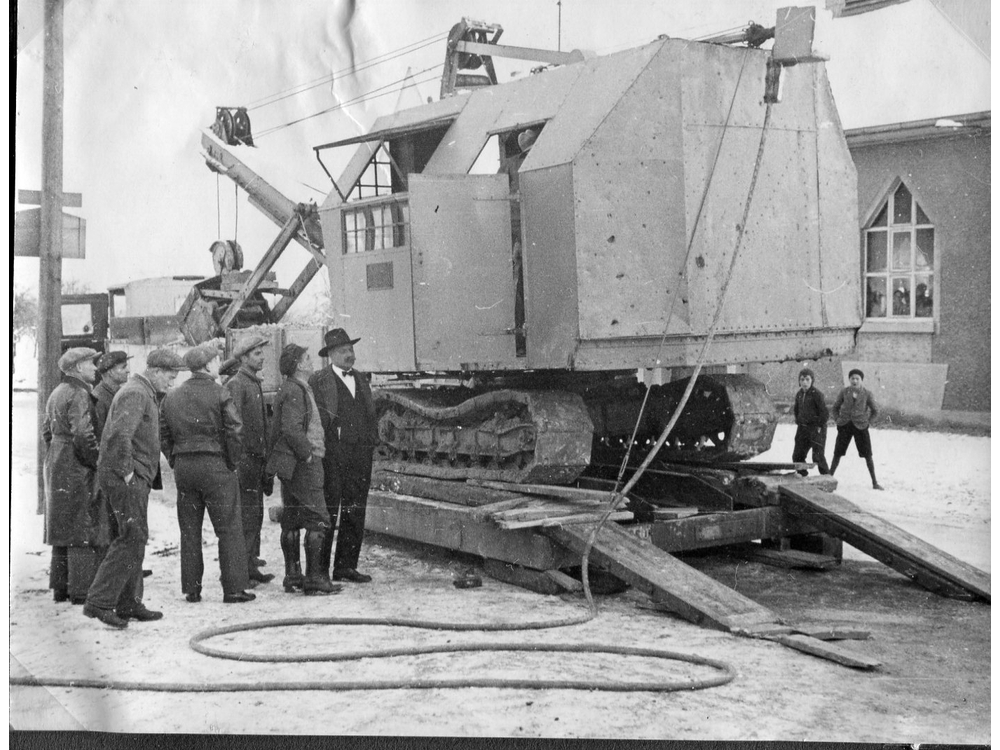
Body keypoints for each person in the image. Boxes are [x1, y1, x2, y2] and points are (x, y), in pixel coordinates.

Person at [84, 348, 184, 629]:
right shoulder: (136, 393)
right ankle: (99, 602)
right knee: (131, 536)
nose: (171, 383)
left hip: (133, 477)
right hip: (127, 478)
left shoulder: (142, 391)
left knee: (135, 536)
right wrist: (128, 474)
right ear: (155, 371)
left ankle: (128, 603)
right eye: (169, 377)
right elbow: (118, 436)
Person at [161, 343, 255, 604]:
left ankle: (192, 589)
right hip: (215, 466)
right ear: (207, 366)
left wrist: (174, 458)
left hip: (184, 468)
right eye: (215, 361)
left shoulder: (172, 396)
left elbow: (163, 433)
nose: (218, 364)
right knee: (228, 528)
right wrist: (231, 462)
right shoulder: (220, 392)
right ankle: (233, 589)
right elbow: (235, 430)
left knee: (189, 530)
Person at [266, 344, 340, 595]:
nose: (311, 361)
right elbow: (291, 428)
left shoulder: (292, 388)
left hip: (291, 464)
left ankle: (294, 576)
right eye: (307, 358)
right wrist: (308, 454)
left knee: (293, 517)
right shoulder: (296, 391)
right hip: (304, 464)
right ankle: (316, 579)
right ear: (298, 365)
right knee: (319, 518)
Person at [308, 329, 379, 584]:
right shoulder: (319, 380)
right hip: (334, 454)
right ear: (330, 356)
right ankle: (321, 570)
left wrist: (372, 442)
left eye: (351, 350)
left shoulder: (360, 378)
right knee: (329, 510)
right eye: (343, 351)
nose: (349, 355)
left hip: (360, 454)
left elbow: (369, 412)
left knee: (355, 509)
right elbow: (315, 418)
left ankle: (346, 567)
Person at [43, 347, 108, 605]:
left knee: (61, 525)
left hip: (57, 460)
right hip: (76, 463)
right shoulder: (80, 393)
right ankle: (81, 591)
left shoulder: (56, 392)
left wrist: (57, 454)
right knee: (82, 524)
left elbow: (46, 431)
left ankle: (61, 588)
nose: (95, 368)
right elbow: (83, 433)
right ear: (79, 368)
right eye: (91, 364)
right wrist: (96, 461)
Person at [225, 335, 274, 584]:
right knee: (246, 517)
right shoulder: (238, 384)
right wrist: (240, 460)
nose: (262, 357)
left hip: (256, 460)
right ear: (244, 358)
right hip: (246, 461)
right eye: (256, 354)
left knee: (254, 515)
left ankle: (250, 566)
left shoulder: (252, 382)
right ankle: (242, 572)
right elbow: (235, 427)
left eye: (261, 352)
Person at [830, 368, 884, 490]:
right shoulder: (844, 392)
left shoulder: (867, 394)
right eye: (852, 378)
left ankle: (874, 482)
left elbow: (875, 410)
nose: (854, 381)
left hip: (861, 427)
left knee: (868, 455)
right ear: (849, 380)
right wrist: (838, 420)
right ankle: (828, 478)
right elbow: (835, 408)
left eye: (857, 379)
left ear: (861, 380)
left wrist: (868, 422)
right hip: (845, 426)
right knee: (837, 453)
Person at [791, 367, 830, 476]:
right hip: (802, 429)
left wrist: (817, 425)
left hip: (816, 429)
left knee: (818, 456)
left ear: (812, 380)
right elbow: (796, 410)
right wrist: (799, 420)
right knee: (797, 455)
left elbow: (825, 414)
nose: (805, 382)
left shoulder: (816, 394)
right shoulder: (799, 394)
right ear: (799, 381)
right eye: (802, 379)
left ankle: (827, 478)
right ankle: (802, 475)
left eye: (807, 379)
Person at [92, 351, 131, 439]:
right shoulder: (99, 397)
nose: (128, 371)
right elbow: (100, 435)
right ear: (111, 372)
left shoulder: (119, 392)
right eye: (123, 367)